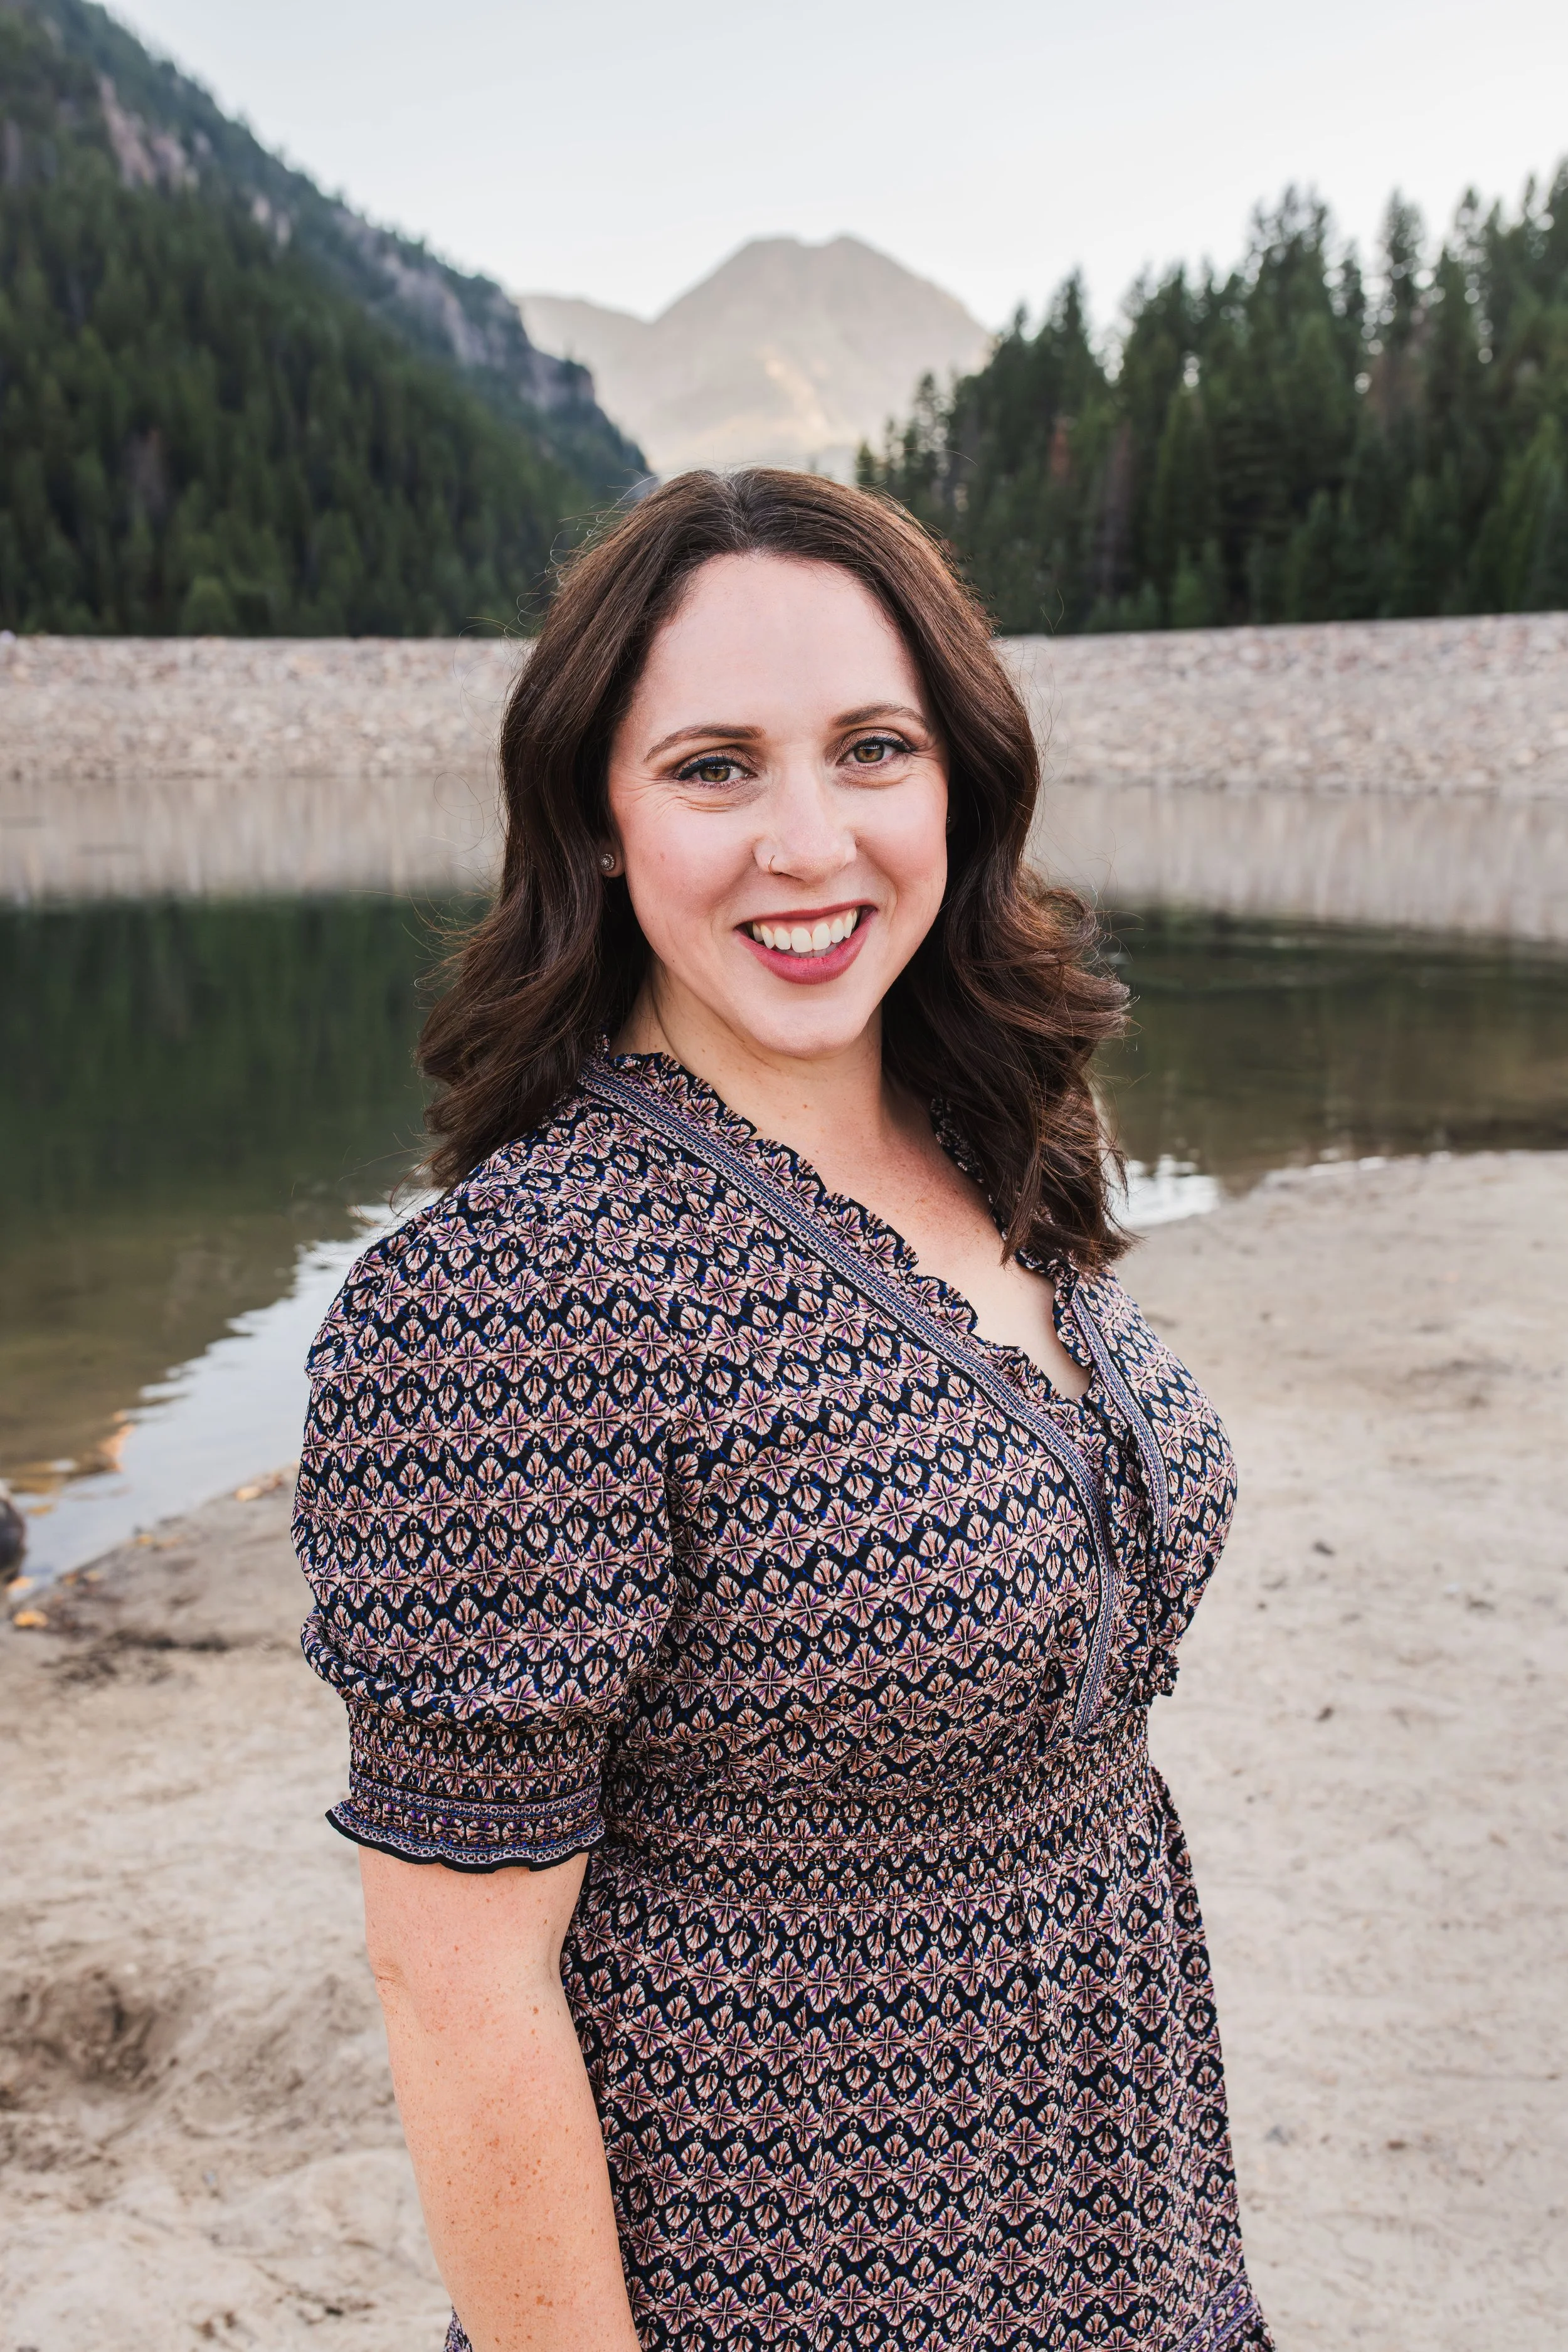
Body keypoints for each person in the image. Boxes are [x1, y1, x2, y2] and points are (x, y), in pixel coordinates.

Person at [294, 468, 1271, 2352]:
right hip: (779, 2287)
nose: (807, 841)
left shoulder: (1006, 1128)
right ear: (595, 810)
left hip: (1122, 2236)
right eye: (714, 765)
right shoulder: (514, 1297)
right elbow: (459, 1995)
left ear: (958, 778)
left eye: (870, 747)